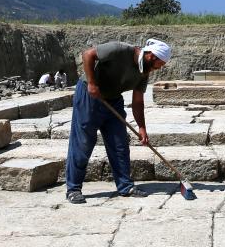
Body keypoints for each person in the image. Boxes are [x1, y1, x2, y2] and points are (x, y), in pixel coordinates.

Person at [65, 38, 171, 204]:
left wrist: (142, 127)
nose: (159, 68)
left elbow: (137, 101)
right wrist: (92, 83)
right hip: (90, 95)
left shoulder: (144, 72)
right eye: (160, 64)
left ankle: (125, 186)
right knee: (83, 143)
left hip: (113, 100)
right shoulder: (119, 49)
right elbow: (87, 55)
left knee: (119, 144)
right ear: (151, 56)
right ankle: (73, 189)